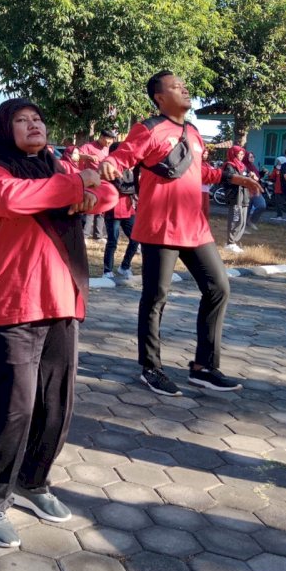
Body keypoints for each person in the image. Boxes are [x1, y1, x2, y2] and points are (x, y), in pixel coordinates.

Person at [0, 98, 118, 548]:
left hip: (62, 301)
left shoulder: (56, 165)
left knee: (56, 406)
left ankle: (33, 482)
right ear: (3, 128)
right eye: (22, 120)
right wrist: (76, 187)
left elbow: (108, 195)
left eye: (38, 118)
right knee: (13, 409)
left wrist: (87, 186)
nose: (34, 124)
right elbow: (12, 199)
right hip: (13, 305)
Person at [100, 71, 244, 396]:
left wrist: (228, 176)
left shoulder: (193, 132)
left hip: (196, 228)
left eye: (184, 85)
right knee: (155, 298)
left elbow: (196, 171)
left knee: (218, 287)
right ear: (159, 98)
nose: (184, 89)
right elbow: (123, 157)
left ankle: (204, 367)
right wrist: (109, 163)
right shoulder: (149, 128)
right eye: (176, 87)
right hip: (159, 228)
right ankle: (151, 367)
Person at [102, 144, 139, 281]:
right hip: (113, 210)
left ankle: (124, 266)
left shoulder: (128, 169)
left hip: (129, 210)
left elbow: (134, 186)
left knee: (136, 239)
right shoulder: (109, 168)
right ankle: (107, 270)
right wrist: (135, 188)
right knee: (112, 241)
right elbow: (122, 188)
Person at [78, 129, 116, 240]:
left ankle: (98, 235)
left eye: (110, 142)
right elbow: (77, 156)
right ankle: (85, 235)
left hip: (104, 182)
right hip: (91, 182)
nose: (108, 144)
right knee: (90, 208)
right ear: (101, 137)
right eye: (107, 141)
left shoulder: (109, 149)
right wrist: (88, 157)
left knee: (102, 209)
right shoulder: (89, 146)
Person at [222, 146, 261, 253]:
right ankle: (230, 242)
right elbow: (231, 179)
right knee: (235, 218)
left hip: (244, 195)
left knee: (243, 220)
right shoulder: (229, 165)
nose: (241, 156)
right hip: (235, 195)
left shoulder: (242, 165)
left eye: (242, 154)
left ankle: (235, 241)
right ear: (233, 154)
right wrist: (246, 178)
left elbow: (245, 176)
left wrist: (250, 175)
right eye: (239, 154)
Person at [244, 151, 267, 230]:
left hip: (255, 189)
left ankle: (252, 221)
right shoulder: (243, 166)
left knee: (262, 205)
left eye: (253, 157)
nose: (253, 158)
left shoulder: (252, 166)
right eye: (250, 157)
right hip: (247, 189)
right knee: (246, 209)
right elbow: (244, 176)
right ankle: (243, 229)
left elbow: (257, 177)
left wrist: (262, 173)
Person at [271, 156, 286, 221]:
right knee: (277, 203)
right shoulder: (276, 169)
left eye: (280, 161)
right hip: (277, 189)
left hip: (284, 188)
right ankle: (279, 215)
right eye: (278, 161)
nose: (278, 162)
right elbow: (272, 177)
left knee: (282, 203)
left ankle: (280, 215)